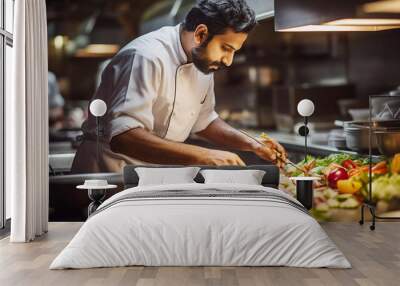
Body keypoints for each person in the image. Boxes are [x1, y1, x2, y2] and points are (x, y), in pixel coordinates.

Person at [72, 0, 287, 173]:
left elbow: (205, 121)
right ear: (201, 34)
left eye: (234, 52)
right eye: (225, 48)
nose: (228, 61)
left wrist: (252, 143)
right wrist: (205, 155)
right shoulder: (147, 56)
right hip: (110, 175)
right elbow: (124, 137)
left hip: (152, 176)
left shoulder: (202, 62)